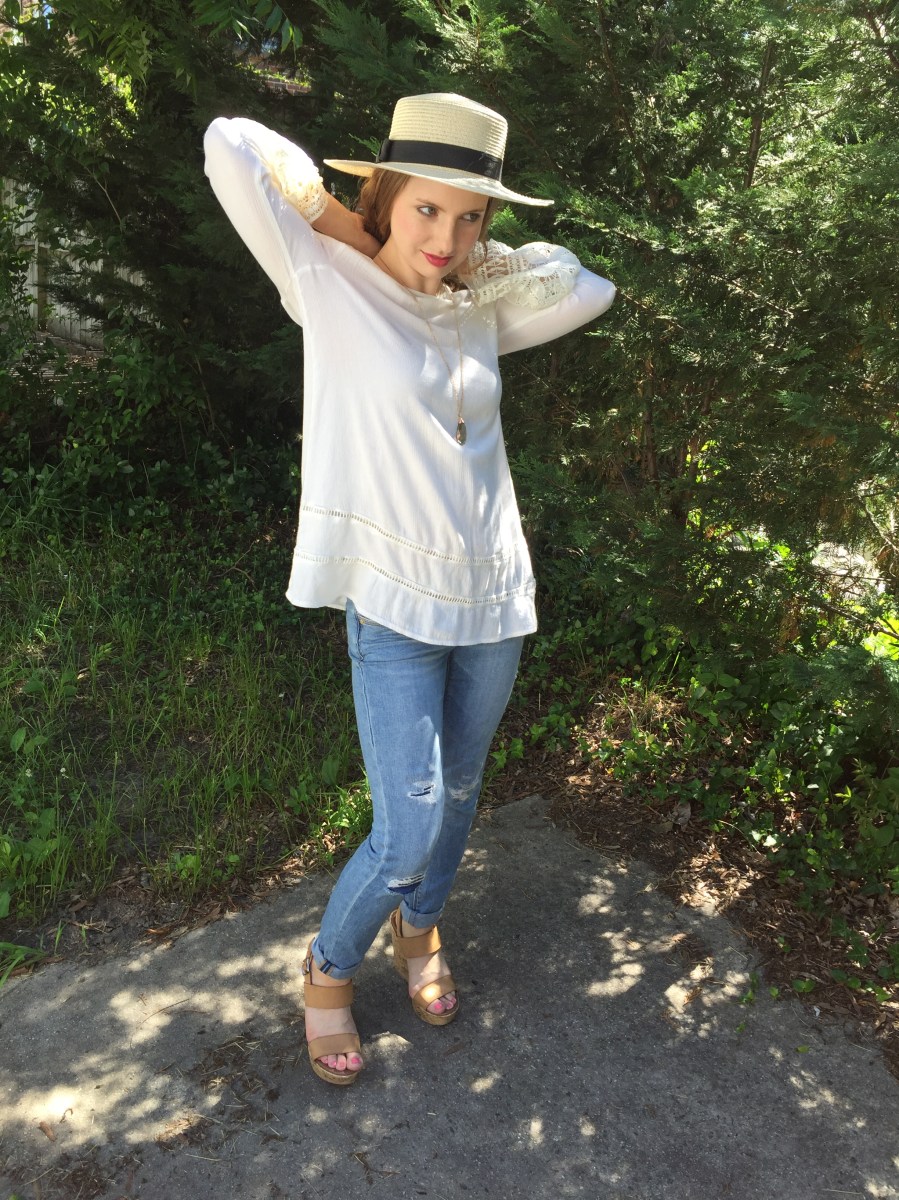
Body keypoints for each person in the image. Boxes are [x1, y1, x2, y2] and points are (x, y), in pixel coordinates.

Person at [204, 92, 615, 1086]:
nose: (446, 235)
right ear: (384, 195)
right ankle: (328, 968)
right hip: (393, 603)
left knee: (461, 794)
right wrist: (356, 231)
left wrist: (463, 262)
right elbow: (231, 145)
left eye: (469, 217)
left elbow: (586, 287)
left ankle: (420, 931)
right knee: (406, 830)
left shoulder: (475, 308)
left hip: (493, 599)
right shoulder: (325, 280)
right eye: (426, 207)